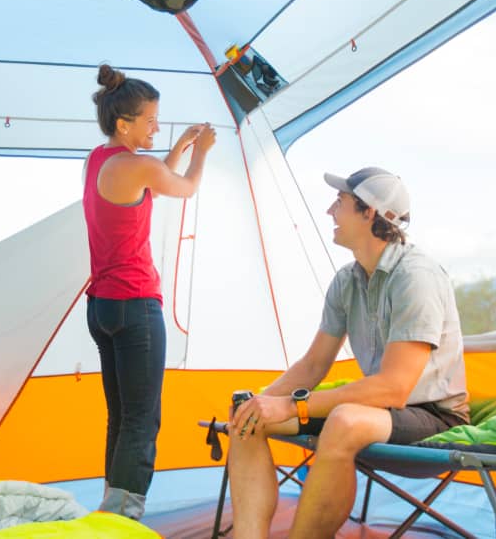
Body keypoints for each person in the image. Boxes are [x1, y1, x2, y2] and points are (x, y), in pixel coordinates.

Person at [228, 167, 469, 538]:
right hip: (379, 411)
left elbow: (394, 389)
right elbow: (313, 365)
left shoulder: (416, 277)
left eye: (339, 202)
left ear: (369, 211)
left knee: (344, 421)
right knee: (246, 417)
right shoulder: (347, 281)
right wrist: (260, 402)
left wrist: (294, 406)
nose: (330, 211)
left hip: (433, 416)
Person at [83, 64, 216, 520]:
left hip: (102, 308)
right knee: (143, 419)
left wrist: (176, 148)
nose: (158, 126)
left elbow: (149, 182)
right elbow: (186, 188)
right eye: (151, 120)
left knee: (121, 416)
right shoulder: (139, 165)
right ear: (126, 124)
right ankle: (122, 520)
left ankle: (109, 507)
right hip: (136, 305)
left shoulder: (99, 160)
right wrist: (201, 154)